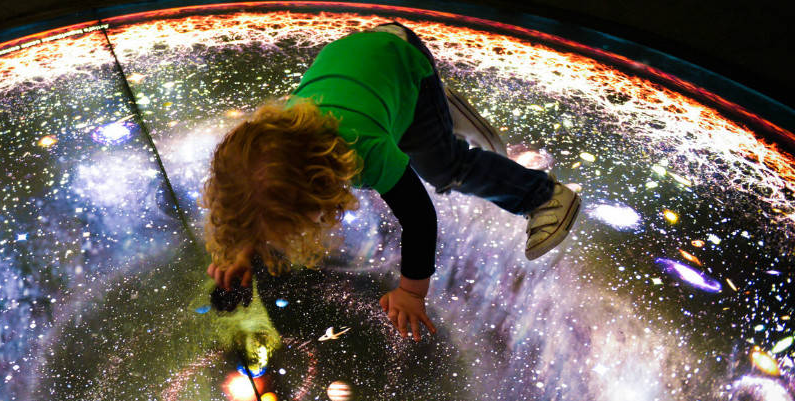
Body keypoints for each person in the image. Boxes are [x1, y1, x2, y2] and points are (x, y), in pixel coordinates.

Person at [203, 22, 581, 341]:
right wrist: (240, 251)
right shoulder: (274, 141)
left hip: (403, 58)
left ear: (319, 191)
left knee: (443, 169)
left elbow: (419, 218)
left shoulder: (363, 152)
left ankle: (543, 196)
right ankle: (416, 107)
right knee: (400, 134)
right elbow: (258, 197)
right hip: (358, 58)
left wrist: (411, 292)